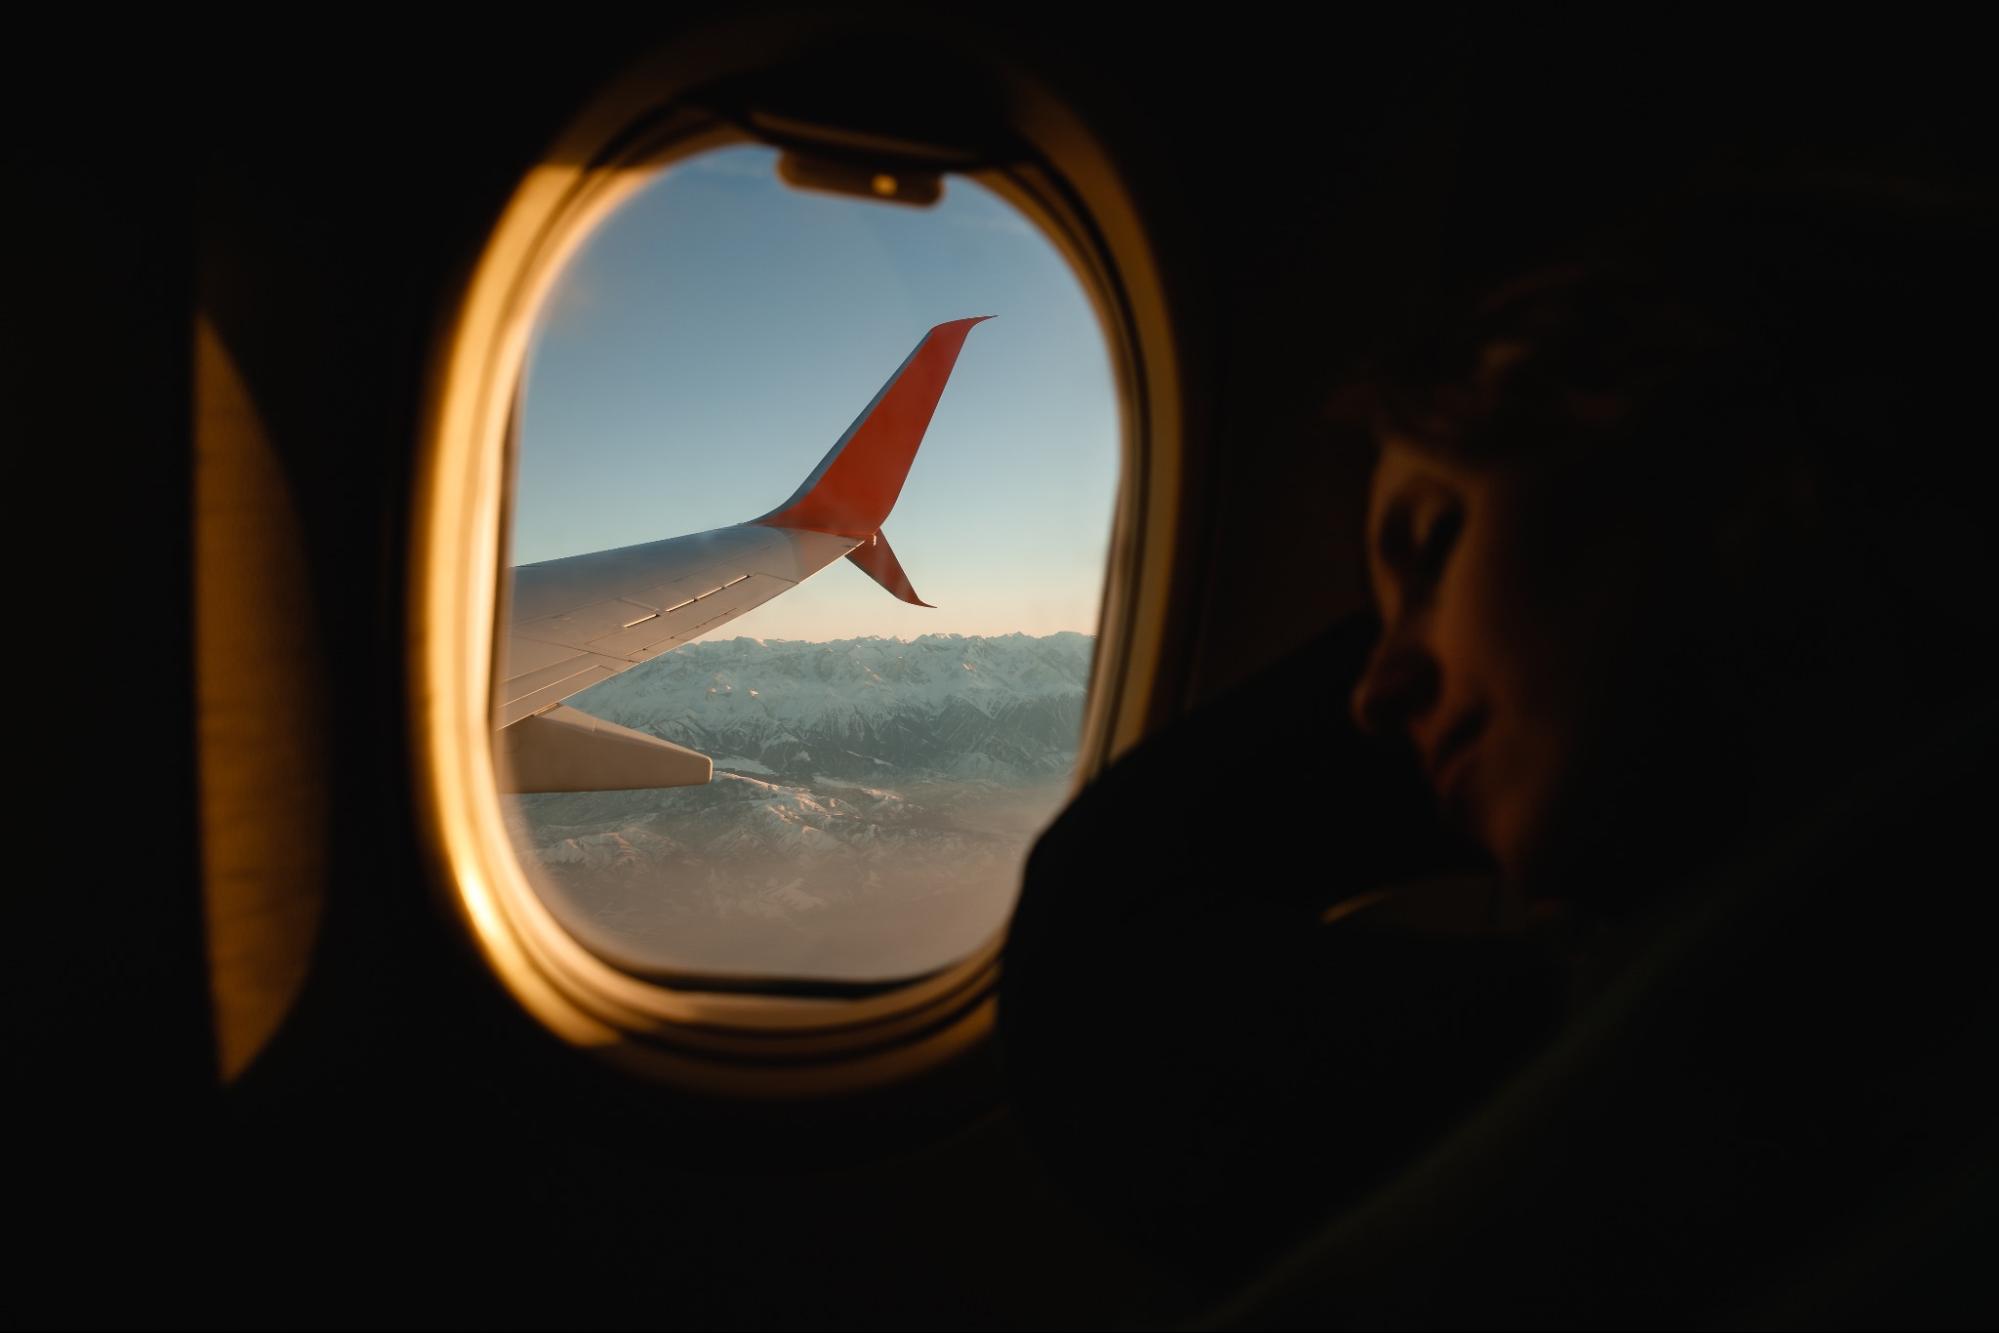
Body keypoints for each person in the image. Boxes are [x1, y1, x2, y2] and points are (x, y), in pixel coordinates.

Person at [1000, 171, 1999, 1326]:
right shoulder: (1819, 1001)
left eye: (1430, 548)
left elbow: (1110, 928)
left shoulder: (1839, 1058)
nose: (1372, 694)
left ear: (1729, 455)